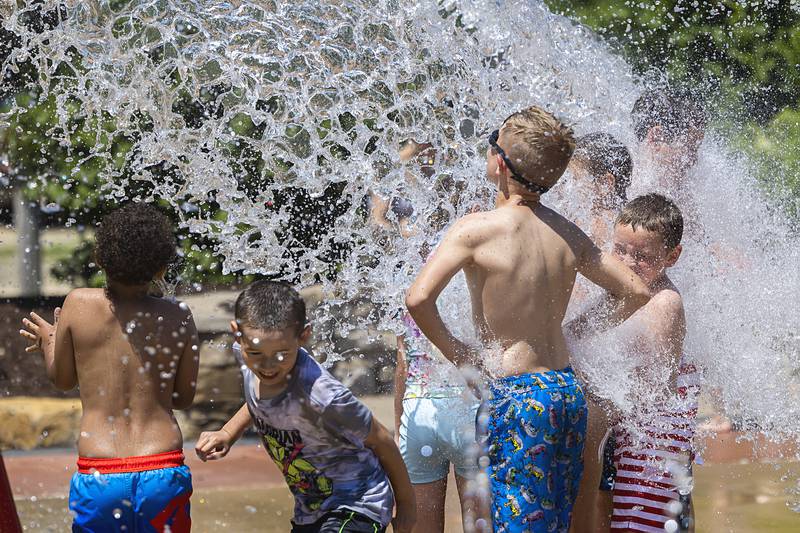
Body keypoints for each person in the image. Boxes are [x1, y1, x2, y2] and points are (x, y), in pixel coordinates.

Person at [405, 105, 651, 533]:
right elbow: (636, 290)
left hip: (517, 395)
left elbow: (418, 299)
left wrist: (462, 357)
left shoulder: (476, 230)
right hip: (565, 391)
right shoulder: (566, 233)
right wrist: (577, 332)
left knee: (517, 523)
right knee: (553, 520)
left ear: (499, 162)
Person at [19, 203, 199, 532]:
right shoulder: (179, 316)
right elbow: (184, 397)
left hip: (100, 472)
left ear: (99, 257)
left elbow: (62, 380)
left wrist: (49, 340)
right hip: (163, 469)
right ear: (161, 268)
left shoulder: (77, 303)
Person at [194, 280, 416, 533]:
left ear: (304, 336)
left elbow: (381, 439)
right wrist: (228, 432)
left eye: (281, 354)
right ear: (237, 334)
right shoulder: (247, 353)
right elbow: (260, 402)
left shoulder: (322, 395)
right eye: (256, 353)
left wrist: (408, 507)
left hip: (357, 503)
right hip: (310, 510)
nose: (267, 366)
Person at [567, 194, 698, 532]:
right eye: (620, 250)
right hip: (623, 431)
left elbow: (655, 391)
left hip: (652, 443)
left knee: (639, 522)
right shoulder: (618, 293)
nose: (627, 262)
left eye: (642, 256)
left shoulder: (665, 303)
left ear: (673, 256)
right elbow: (574, 336)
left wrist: (601, 396)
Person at [382, 141, 491, 532]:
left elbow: (402, 361)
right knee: (479, 526)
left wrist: (399, 426)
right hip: (472, 413)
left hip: (418, 413)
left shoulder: (410, 270)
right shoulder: (478, 261)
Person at [566, 132, 634, 533]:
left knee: (589, 487)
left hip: (595, 378)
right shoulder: (632, 231)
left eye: (575, 178)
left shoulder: (594, 231)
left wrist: (572, 333)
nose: (568, 188)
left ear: (604, 182)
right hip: (619, 378)